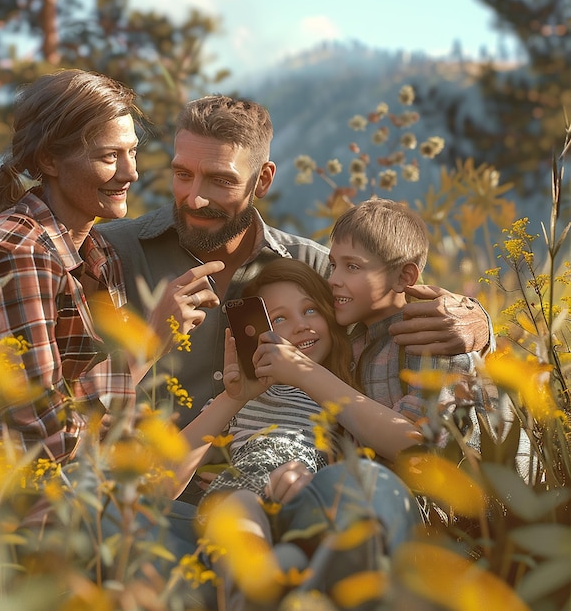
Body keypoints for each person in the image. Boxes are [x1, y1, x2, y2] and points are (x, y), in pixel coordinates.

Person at [96, 95, 492, 502]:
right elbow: (65, 394)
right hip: (134, 501)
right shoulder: (112, 253)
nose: (195, 198)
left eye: (221, 180)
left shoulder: (315, 269)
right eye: (182, 174)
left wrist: (479, 323)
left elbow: (390, 305)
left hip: (286, 494)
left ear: (263, 180)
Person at [0, 69, 223, 607]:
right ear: (48, 160)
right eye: (108, 156)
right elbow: (48, 436)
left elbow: (101, 421)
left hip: (62, 499)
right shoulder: (18, 252)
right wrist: (152, 338)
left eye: (134, 153)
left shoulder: (93, 252)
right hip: (0, 523)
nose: (130, 172)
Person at [176, 259, 422, 610]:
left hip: (306, 501)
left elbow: (405, 444)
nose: (301, 326)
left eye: (310, 310)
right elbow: (161, 477)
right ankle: (249, 591)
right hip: (245, 490)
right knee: (241, 511)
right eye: (279, 319)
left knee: (292, 558)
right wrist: (233, 399)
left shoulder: (342, 389)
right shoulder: (252, 392)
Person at [326, 198, 507, 447]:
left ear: (404, 277)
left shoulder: (433, 338)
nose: (333, 279)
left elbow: (424, 442)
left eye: (352, 266)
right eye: (333, 265)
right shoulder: (354, 340)